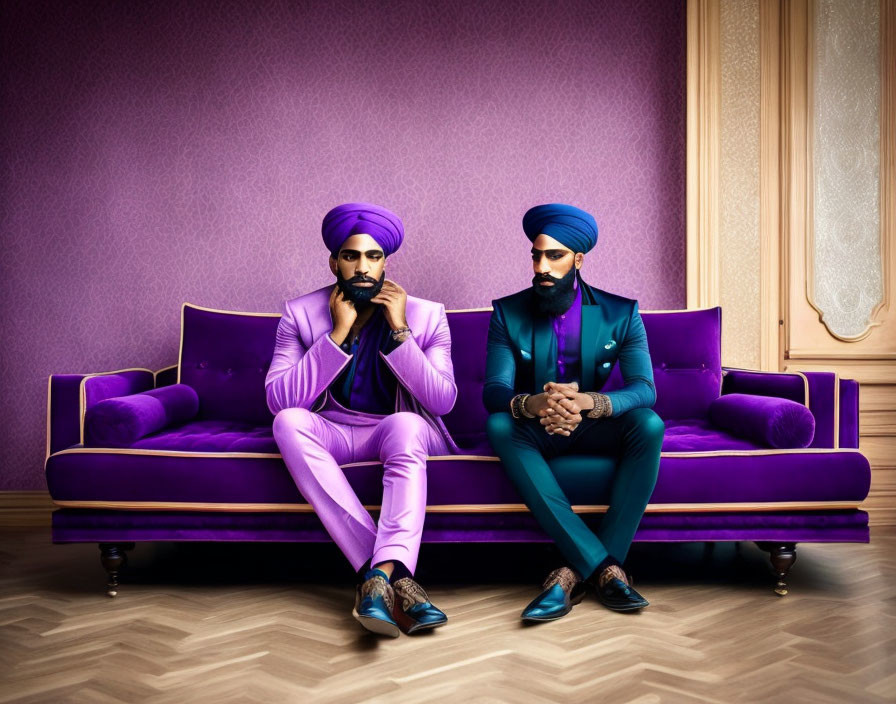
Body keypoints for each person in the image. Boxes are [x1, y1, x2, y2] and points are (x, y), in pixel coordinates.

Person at [266, 202, 458, 637]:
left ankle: (375, 580)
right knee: (288, 423)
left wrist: (400, 330)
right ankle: (392, 578)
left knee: (408, 426)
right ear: (334, 261)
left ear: (386, 262)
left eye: (373, 257)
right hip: (331, 427)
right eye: (351, 256)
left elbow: (442, 400)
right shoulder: (300, 314)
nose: (362, 268)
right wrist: (335, 334)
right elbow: (279, 400)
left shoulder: (426, 315)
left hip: (394, 426)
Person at [484, 203, 664, 621]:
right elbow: (495, 391)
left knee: (648, 425)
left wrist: (590, 403)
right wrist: (534, 403)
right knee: (498, 425)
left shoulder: (622, 313)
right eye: (536, 255)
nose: (542, 266)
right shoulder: (507, 312)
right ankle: (606, 570)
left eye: (554, 256)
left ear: (578, 259)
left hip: (593, 425)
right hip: (536, 426)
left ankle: (568, 574)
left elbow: (644, 390)